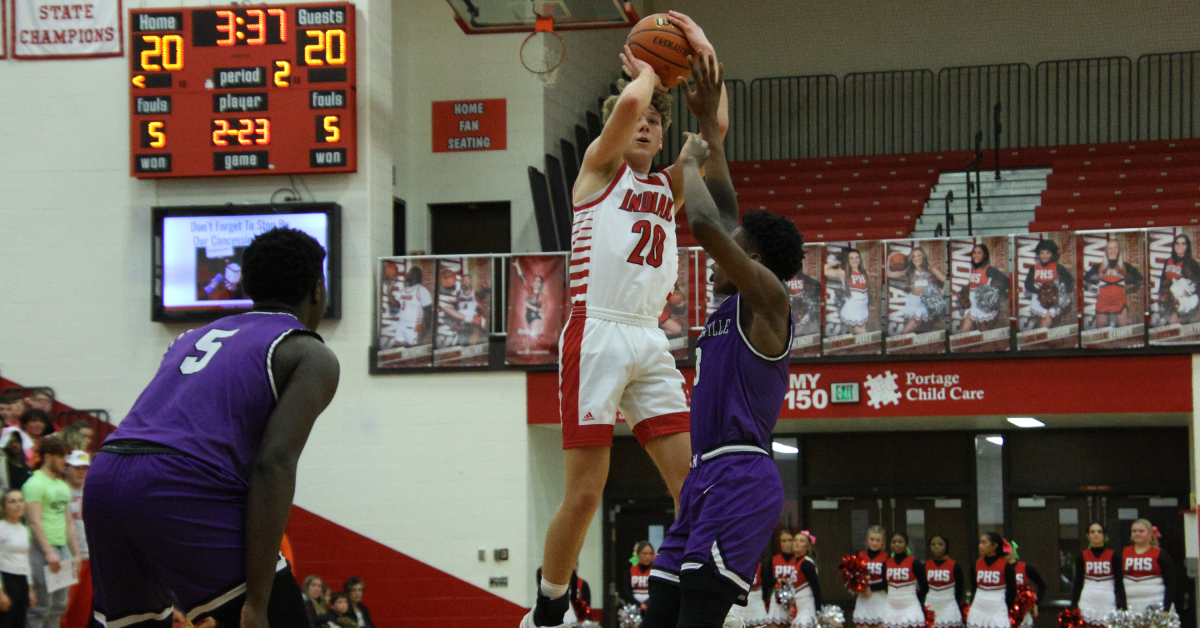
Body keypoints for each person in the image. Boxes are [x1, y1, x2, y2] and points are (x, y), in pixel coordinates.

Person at [525, 12, 727, 628]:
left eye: (655, 121)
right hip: (596, 332)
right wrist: (645, 68)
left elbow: (714, 138)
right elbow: (629, 104)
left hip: (649, 336)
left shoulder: (668, 187)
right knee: (586, 493)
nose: (644, 122)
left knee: (694, 483)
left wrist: (704, 58)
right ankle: (550, 605)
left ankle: (691, 601)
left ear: (662, 134)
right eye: (636, 117)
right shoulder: (595, 174)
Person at [84, 227, 341, 628]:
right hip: (178, 481)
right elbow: (273, 464)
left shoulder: (191, 337)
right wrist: (257, 600)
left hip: (105, 475)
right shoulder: (307, 351)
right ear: (317, 289)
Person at [640, 50, 803, 628]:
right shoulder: (739, 300)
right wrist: (709, 124)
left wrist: (685, 162)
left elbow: (709, 225)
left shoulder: (770, 302)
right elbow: (726, 202)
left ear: (752, 259)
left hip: (740, 478)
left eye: (736, 252)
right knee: (659, 615)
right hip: (703, 477)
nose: (712, 265)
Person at [23, 437, 79, 628]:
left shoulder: (62, 485)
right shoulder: (35, 483)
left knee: (59, 605)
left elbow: (69, 522)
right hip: (40, 548)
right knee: (41, 606)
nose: (66, 461)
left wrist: (76, 553)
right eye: (62, 456)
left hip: (61, 547)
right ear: (48, 457)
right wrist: (48, 551)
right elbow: (34, 521)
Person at [1083, 239, 1143, 329]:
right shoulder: (1099, 266)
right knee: (1101, 332)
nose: (1112, 251)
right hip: (1103, 303)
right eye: (1110, 248)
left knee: (1124, 330)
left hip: (1120, 302)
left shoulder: (1125, 266)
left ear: (1118, 250)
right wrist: (1096, 283)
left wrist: (1127, 285)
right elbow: (1086, 278)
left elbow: (1139, 278)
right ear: (1106, 251)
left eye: (1115, 248)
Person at [1071, 522, 1123, 627]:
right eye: (1092, 532)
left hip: (1107, 600)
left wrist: (1123, 605)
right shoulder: (1082, 556)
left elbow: (1119, 582)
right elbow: (1078, 582)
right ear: (1088, 535)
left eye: (1099, 531)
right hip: (1087, 599)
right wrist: (1073, 605)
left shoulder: (1113, 555)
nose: (1096, 534)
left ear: (1105, 535)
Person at [61, 450, 91, 628]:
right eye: (76, 468)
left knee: (83, 610)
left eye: (85, 468)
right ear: (66, 468)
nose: (81, 472)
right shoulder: (59, 490)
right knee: (62, 607)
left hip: (90, 559)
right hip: (67, 556)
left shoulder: (92, 491)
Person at [1121, 519, 1176, 614]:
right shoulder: (1123, 552)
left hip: (1155, 604)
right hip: (1131, 606)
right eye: (1134, 531)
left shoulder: (1160, 554)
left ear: (1150, 534)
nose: (1137, 534)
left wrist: (1166, 609)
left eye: (1141, 531)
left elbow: (1171, 583)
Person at [887, 247, 947, 334]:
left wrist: (941, 293)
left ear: (923, 257)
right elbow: (889, 274)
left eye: (919, 255)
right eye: (914, 256)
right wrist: (889, 259)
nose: (917, 258)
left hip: (925, 303)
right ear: (911, 259)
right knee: (911, 330)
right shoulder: (909, 271)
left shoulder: (929, 268)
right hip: (913, 301)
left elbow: (946, 280)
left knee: (906, 331)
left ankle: (903, 342)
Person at [0, 489, 36, 628]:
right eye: (12, 501)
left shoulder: (23, 529)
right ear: (3, 507)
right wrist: (1, 592)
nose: (18, 505)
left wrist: (30, 589)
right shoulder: (1, 527)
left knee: (19, 621)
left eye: (21, 500)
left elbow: (25, 559)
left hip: (22, 581)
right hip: (6, 579)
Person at [966, 533, 1015, 628]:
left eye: (984, 542)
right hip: (978, 608)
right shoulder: (976, 564)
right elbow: (974, 588)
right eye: (980, 542)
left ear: (995, 545)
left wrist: (1006, 609)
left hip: (997, 609)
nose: (980, 545)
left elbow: (1011, 593)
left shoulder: (1007, 566)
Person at [1023, 239, 1075, 329]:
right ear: (1038, 254)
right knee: (1044, 323)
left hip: (1053, 299)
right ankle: (1043, 340)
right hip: (1039, 299)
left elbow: (1070, 280)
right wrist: (1040, 292)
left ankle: (1044, 340)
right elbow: (1028, 285)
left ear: (1052, 254)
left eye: (1047, 253)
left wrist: (1060, 293)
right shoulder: (1034, 268)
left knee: (1048, 324)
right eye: (1042, 253)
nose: (1044, 256)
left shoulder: (1058, 267)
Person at [959, 244, 1009, 333]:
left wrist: (999, 297)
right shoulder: (974, 269)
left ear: (985, 255)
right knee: (964, 332)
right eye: (974, 253)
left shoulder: (989, 269)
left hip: (983, 310)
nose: (976, 255)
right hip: (974, 307)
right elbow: (973, 285)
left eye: (979, 253)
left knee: (984, 335)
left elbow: (1006, 281)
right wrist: (963, 292)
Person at [883, 533, 927, 628]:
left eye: (900, 542)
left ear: (906, 544)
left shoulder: (915, 563)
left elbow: (925, 586)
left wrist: (916, 598)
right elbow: (884, 584)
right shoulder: (886, 563)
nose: (897, 544)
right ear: (890, 545)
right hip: (891, 607)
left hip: (910, 606)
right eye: (894, 542)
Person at [825, 248, 871, 335]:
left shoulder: (865, 272)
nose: (854, 260)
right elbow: (825, 270)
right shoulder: (843, 273)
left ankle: (855, 347)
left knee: (855, 333)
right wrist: (835, 263)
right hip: (852, 309)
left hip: (862, 308)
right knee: (863, 334)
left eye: (857, 257)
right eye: (851, 258)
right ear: (847, 260)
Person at [1157, 234, 1200, 325]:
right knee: (1163, 324)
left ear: (1187, 246)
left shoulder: (1191, 263)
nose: (1179, 246)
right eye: (1177, 243)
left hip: (1184, 302)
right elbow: (1162, 280)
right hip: (1169, 300)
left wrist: (1189, 293)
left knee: (1174, 322)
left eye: (1183, 243)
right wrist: (1161, 294)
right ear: (1174, 245)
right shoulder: (1168, 261)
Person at [853, 526, 890, 628]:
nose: (874, 543)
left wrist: (870, 588)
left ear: (883, 542)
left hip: (880, 597)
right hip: (864, 597)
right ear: (867, 540)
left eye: (878, 540)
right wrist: (861, 587)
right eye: (872, 539)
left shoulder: (887, 557)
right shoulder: (859, 555)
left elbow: (887, 581)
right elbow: (853, 577)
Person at [389, 265, 433, 348]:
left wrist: (423, 331)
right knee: (399, 352)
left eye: (411, 273)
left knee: (412, 354)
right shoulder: (403, 290)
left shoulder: (422, 290)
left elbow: (428, 312)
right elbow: (396, 305)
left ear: (417, 276)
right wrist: (389, 291)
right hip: (400, 325)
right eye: (409, 273)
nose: (408, 274)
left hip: (413, 328)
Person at [925, 535, 964, 628]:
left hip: (949, 605)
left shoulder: (955, 566)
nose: (936, 546)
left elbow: (960, 589)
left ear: (946, 546)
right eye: (933, 544)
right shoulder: (925, 565)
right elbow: (923, 587)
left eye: (940, 544)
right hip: (931, 605)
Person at [765, 530, 801, 628]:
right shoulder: (773, 560)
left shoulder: (799, 561)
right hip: (777, 600)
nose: (787, 544)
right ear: (779, 543)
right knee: (773, 624)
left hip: (795, 600)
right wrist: (776, 581)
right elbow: (765, 581)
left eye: (789, 540)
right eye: (783, 541)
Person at [1006, 542, 1044, 627]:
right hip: (1003, 613)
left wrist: (1036, 603)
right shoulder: (998, 569)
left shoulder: (1025, 568)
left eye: (1007, 547)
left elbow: (1042, 586)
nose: (1005, 551)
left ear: (1013, 548)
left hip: (1022, 615)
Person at [789, 531, 821, 628]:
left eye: (801, 541)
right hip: (800, 607)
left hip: (808, 607)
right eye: (795, 540)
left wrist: (818, 610)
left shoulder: (806, 564)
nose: (797, 543)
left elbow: (816, 587)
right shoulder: (797, 562)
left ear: (807, 547)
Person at [625, 541, 655, 609]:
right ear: (638, 554)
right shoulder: (630, 571)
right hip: (634, 608)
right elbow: (627, 592)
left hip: (651, 607)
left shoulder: (655, 571)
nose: (648, 556)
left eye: (650, 553)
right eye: (645, 553)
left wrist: (647, 603)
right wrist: (639, 604)